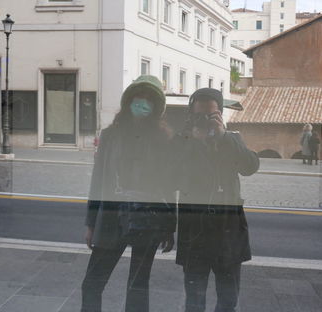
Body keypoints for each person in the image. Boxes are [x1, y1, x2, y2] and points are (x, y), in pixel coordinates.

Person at [81, 75, 176, 312]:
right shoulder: (110, 135)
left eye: (148, 100)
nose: (142, 104)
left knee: (138, 286)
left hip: (148, 219)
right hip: (112, 216)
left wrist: (169, 226)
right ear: (128, 101)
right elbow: (98, 179)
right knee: (92, 284)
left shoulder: (164, 139)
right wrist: (91, 223)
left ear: (156, 107)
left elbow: (167, 186)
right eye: (138, 98)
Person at [171, 88, 260, 312]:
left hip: (227, 231)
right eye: (199, 115)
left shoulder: (232, 138)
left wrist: (223, 137)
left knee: (228, 300)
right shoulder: (182, 140)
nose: (204, 120)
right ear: (191, 115)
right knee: (194, 301)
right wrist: (194, 142)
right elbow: (171, 175)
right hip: (195, 231)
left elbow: (250, 166)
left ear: (220, 114)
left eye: (210, 115)